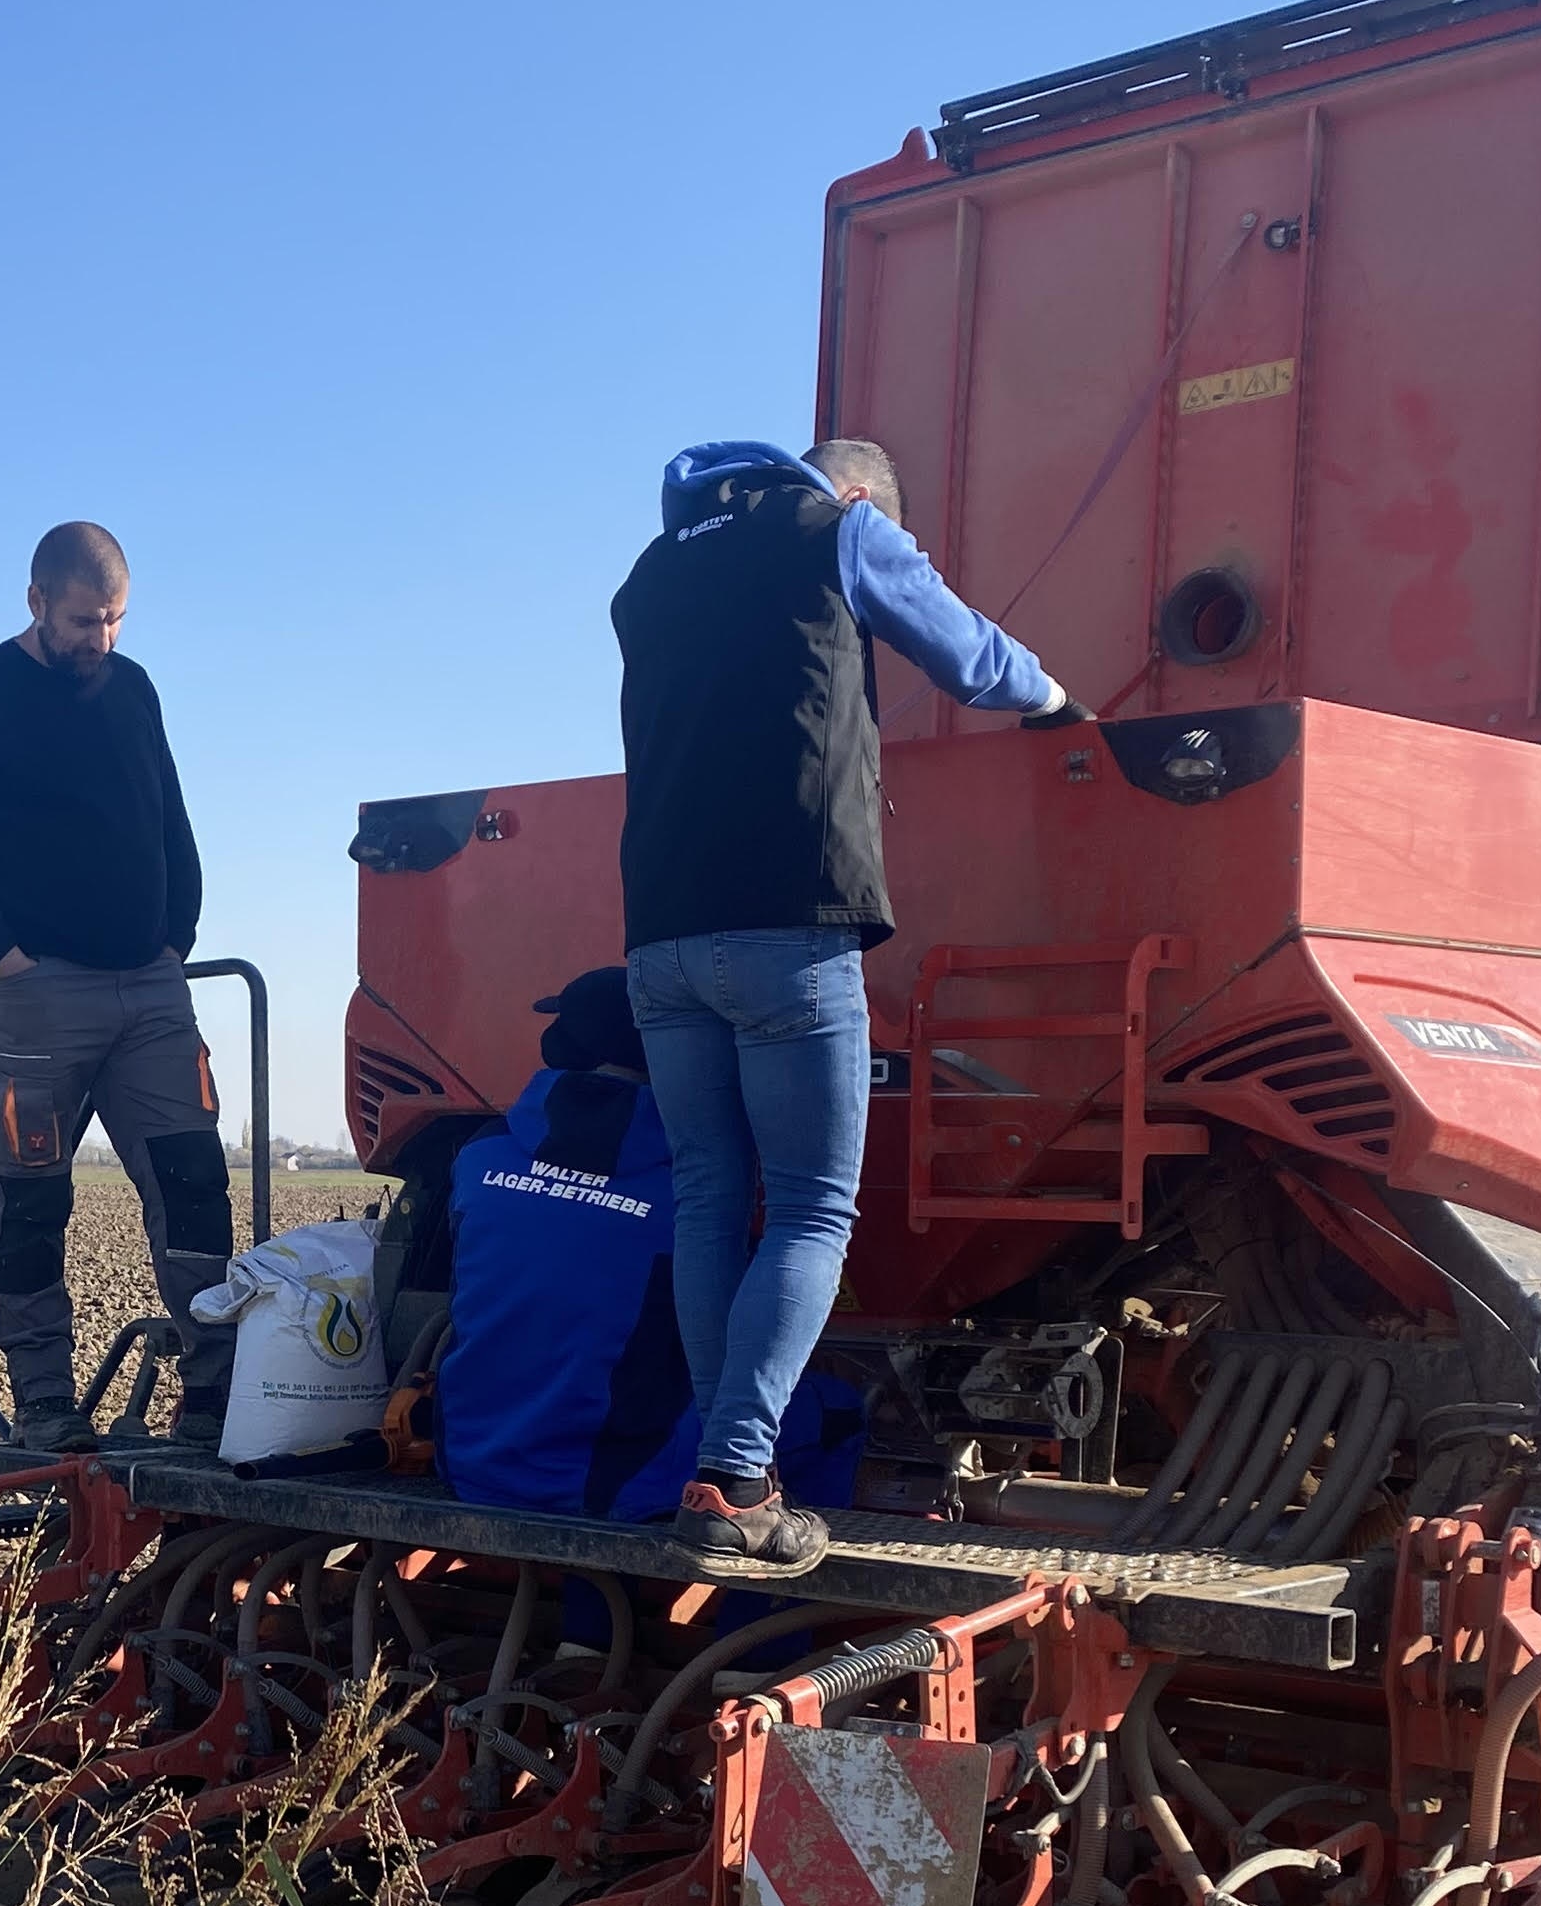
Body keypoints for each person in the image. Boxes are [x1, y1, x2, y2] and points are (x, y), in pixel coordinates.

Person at [616, 438, 1078, 1576]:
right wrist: (1058, 700)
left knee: (712, 1200)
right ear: (860, 496)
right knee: (817, 1209)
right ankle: (734, 1478)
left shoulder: (650, 571)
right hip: (791, 929)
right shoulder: (839, 533)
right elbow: (969, 657)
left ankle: (724, 1470)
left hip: (659, 939)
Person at [0, 519, 235, 1449]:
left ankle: (211, 1389)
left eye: (116, 620)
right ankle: (46, 1399)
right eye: (86, 620)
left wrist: (179, 938)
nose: (102, 639)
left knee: (194, 1179)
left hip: (151, 990)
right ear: (37, 602)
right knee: (36, 1192)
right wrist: (0, 955)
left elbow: (170, 818)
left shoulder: (133, 691)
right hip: (35, 995)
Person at [435, 968, 698, 1521]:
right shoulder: (696, 1184)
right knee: (835, 1415)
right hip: (619, 1488)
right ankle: (768, 1601)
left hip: (470, 1467)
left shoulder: (479, 1157)